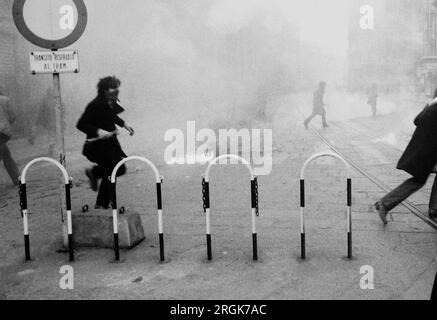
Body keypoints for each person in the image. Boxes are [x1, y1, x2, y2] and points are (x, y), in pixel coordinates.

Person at [374, 90, 437, 224]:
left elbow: (416, 120)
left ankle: (385, 203)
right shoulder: (435, 109)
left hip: (423, 152)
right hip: (427, 153)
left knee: (417, 181)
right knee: (417, 181)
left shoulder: (431, 106)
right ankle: (385, 203)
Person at [77, 76, 135, 209]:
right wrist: (98, 131)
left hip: (109, 145)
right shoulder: (95, 105)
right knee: (115, 169)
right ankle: (102, 201)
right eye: (113, 87)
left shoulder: (109, 102)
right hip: (96, 146)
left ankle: (96, 179)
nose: (116, 90)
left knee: (114, 170)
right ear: (104, 90)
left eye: (117, 87)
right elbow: (81, 124)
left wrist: (124, 124)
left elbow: (111, 116)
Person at [28, 87, 56, 157]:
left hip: (51, 121)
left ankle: (51, 148)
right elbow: (42, 111)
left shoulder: (47, 100)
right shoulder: (49, 100)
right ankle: (51, 148)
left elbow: (42, 111)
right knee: (51, 134)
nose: (51, 93)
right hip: (50, 121)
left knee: (51, 134)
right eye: (50, 92)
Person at [0, 86, 19, 186]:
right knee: (6, 155)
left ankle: (17, 179)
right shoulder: (5, 100)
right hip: (4, 132)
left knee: (5, 155)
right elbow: (12, 117)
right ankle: (17, 179)